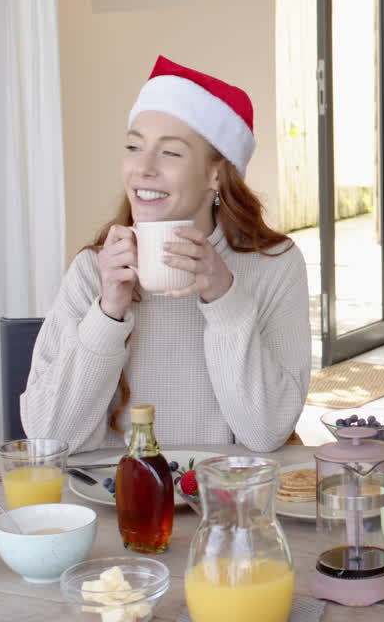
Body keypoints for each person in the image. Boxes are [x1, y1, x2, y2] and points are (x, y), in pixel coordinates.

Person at [22, 56, 311, 454]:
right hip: (120, 502)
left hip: (226, 501)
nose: (143, 168)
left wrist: (224, 298)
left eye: (170, 153)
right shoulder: (95, 269)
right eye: (133, 147)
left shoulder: (276, 265)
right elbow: (49, 437)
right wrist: (108, 311)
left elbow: (266, 432)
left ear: (216, 174)